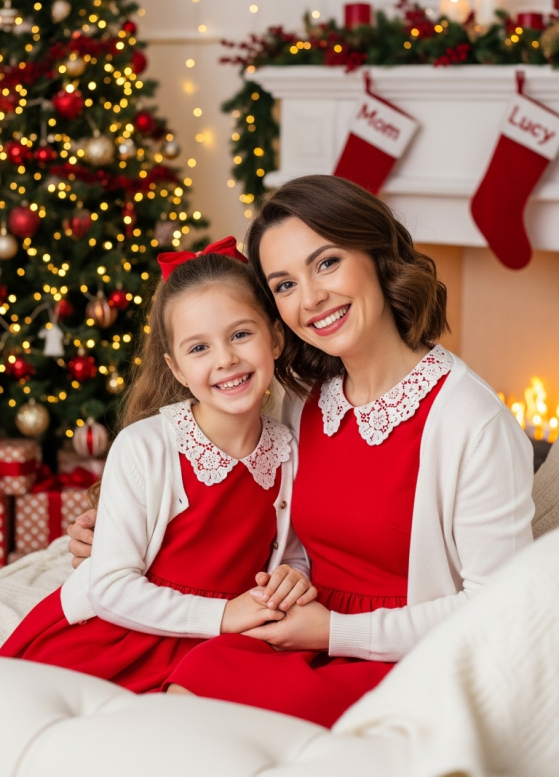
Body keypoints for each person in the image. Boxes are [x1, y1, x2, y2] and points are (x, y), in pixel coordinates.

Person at [66, 177, 534, 725]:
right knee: (188, 689)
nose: (311, 299)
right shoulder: (301, 400)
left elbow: (497, 610)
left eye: (327, 263)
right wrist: (124, 532)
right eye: (284, 285)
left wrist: (335, 631)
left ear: (377, 255)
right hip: (295, 630)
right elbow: (259, 519)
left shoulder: (471, 421)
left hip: (403, 655)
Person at [0, 238, 316, 692]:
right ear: (177, 369)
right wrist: (222, 615)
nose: (226, 358)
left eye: (241, 334)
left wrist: (293, 577)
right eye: (198, 348)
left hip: (225, 638)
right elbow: (111, 587)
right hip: (127, 629)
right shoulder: (146, 445)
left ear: (276, 339)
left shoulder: (289, 448)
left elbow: (288, 549)